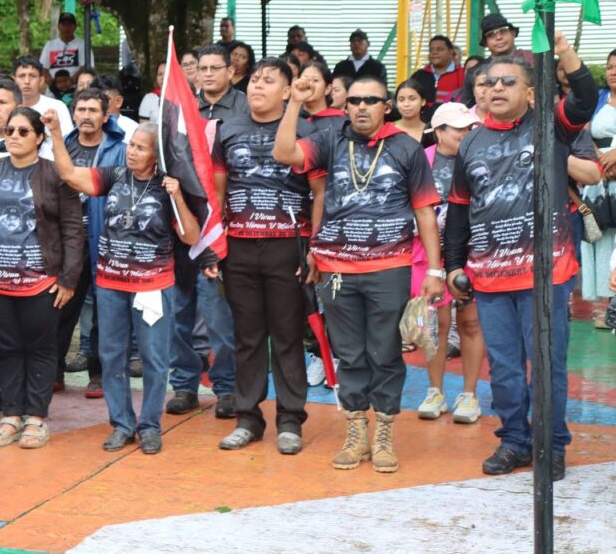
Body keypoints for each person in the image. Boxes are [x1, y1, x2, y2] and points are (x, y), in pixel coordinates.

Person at [443, 34, 596, 481]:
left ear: (529, 92)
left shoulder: (552, 125)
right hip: (490, 278)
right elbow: (458, 210)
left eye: (509, 81)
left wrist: (565, 51)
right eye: (489, 82)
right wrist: (453, 264)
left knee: (547, 364)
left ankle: (552, 444)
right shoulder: (470, 144)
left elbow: (585, 97)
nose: (497, 88)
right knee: (506, 369)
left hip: (546, 274)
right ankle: (515, 441)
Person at [274, 73, 445, 473]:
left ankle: (383, 434)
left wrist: (435, 269)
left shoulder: (407, 147)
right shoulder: (329, 139)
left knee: (385, 353)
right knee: (349, 354)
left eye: (371, 100)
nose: (362, 107)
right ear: (345, 105)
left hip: (389, 267)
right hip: (336, 269)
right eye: (354, 101)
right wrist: (295, 104)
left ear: (386, 106)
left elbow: (424, 211)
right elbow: (284, 153)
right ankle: (356, 434)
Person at [48, 113, 198, 454]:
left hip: (152, 286)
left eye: (141, 148)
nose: (132, 152)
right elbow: (70, 174)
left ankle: (149, 426)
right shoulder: (113, 175)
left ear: (156, 156)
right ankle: (121, 423)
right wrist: (56, 133)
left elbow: (191, 236)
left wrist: (177, 197)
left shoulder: (167, 185)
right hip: (111, 283)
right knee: (112, 356)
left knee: (154, 358)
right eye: (131, 145)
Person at [213, 58, 323, 455]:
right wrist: (214, 243)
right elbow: (218, 190)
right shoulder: (229, 129)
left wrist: (315, 247)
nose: (258, 86)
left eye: (268, 81)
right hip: (240, 245)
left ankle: (291, 420)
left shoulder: (306, 130)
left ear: (287, 90)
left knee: (288, 335)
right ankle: (248, 418)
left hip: (287, 245)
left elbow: (320, 193)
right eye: (254, 80)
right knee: (247, 336)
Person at [0, 107, 83, 450]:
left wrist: (69, 278)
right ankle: (12, 415)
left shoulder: (56, 174)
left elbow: (73, 227)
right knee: (6, 346)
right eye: (10, 130)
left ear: (39, 138)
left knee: (40, 348)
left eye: (23, 131)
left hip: (41, 282)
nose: (14, 136)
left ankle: (37, 418)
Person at [166, 43, 239, 419]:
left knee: (218, 317)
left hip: (220, 231)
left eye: (215, 67)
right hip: (181, 226)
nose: (207, 74)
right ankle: (184, 385)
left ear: (231, 71)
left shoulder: (241, 111)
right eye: (202, 68)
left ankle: (226, 388)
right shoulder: (180, 108)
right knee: (180, 314)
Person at [415, 102, 485, 424]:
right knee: (435, 328)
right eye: (459, 127)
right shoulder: (420, 162)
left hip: (472, 254)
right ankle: (435, 391)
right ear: (439, 131)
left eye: (470, 127)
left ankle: (469, 394)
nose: (467, 132)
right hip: (429, 255)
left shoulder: (480, 158)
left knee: (470, 323)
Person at [55, 89, 128, 397]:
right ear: (74, 114)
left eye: (93, 110)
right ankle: (54, 371)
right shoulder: (64, 147)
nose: (86, 115)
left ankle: (97, 374)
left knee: (104, 311)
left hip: (104, 239)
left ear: (105, 116)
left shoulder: (119, 150)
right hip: (68, 243)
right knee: (61, 308)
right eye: (81, 109)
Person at [578, 48, 616, 327]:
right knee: (600, 232)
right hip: (597, 176)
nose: (613, 72)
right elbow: (579, 130)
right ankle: (603, 304)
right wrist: (600, 158)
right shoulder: (597, 100)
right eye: (610, 66)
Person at [14, 55, 74, 137]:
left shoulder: (57, 107)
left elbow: (67, 141)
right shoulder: (8, 107)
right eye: (22, 76)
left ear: (41, 80)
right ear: (15, 80)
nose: (27, 81)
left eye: (32, 76)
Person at [299, 61, 345, 133]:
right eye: (305, 79)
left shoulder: (342, 121)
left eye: (315, 80)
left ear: (327, 89)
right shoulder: (289, 118)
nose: (309, 85)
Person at [423, 35, 464, 104]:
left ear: (451, 52)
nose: (434, 53)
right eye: (431, 50)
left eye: (440, 49)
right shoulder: (419, 75)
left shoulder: (462, 74)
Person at [394, 78, 432, 146]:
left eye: (412, 99)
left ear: (423, 101)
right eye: (401, 100)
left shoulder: (430, 132)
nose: (406, 104)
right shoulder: (389, 131)